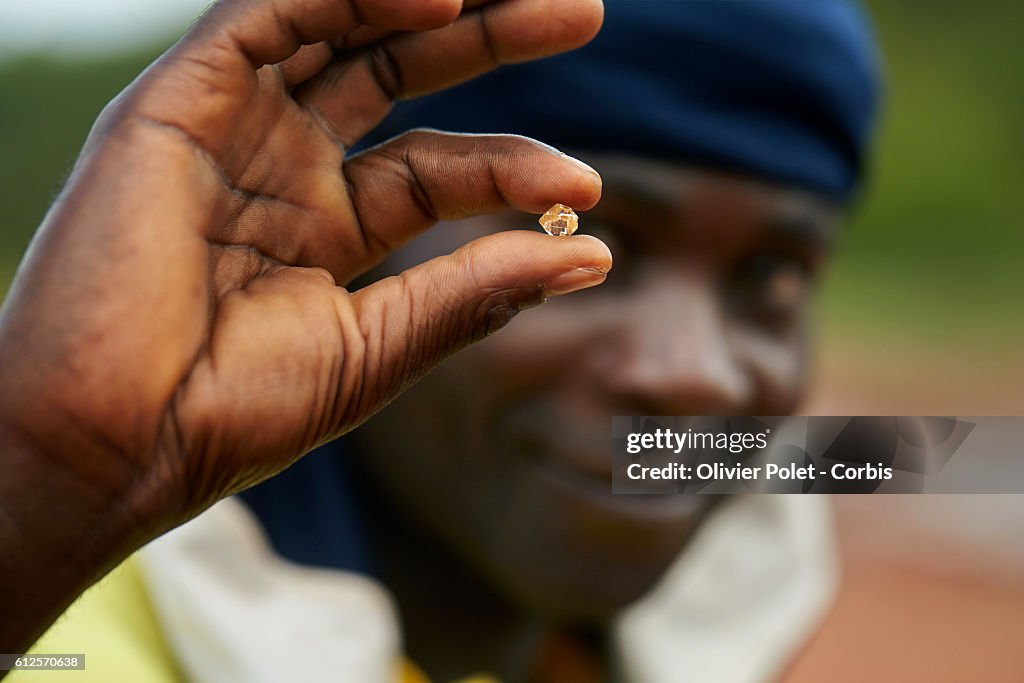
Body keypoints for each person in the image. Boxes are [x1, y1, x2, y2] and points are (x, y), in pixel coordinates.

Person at [0, 0, 880, 681]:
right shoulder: (60, 627)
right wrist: (39, 497)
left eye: (769, 277)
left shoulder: (714, 633)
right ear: (331, 242)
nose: (693, 376)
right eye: (575, 237)